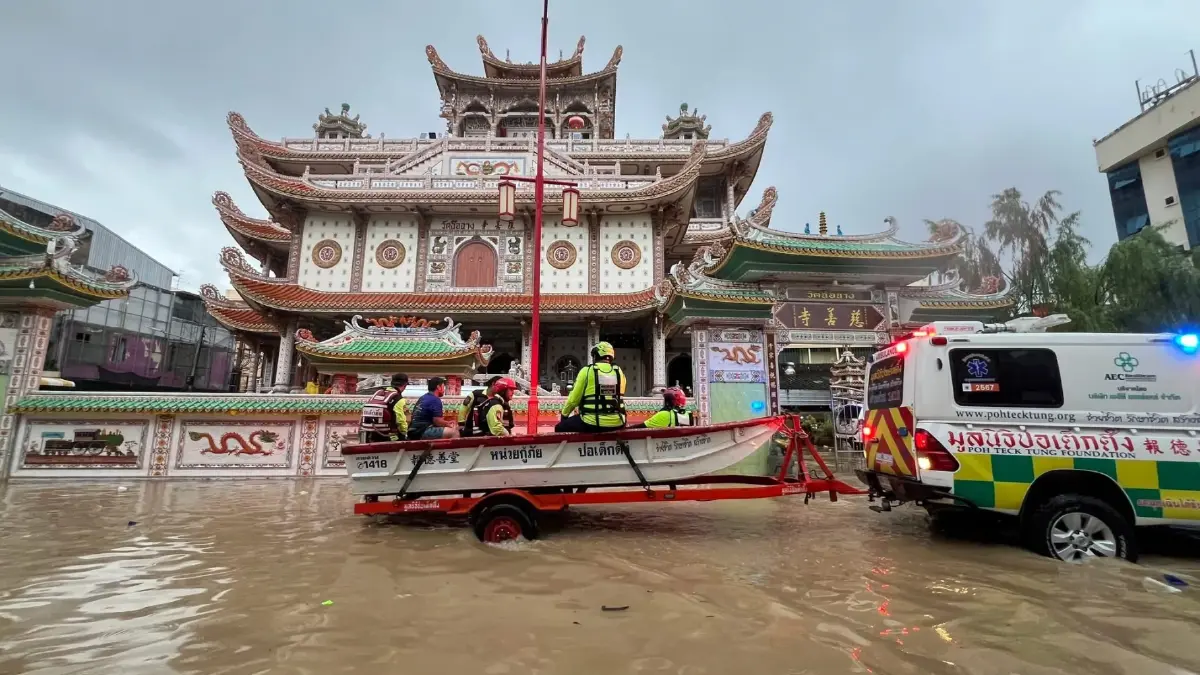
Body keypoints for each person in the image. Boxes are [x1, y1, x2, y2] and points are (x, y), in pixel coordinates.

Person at [555, 341, 627, 433]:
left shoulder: (587, 371)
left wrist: (564, 415)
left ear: (596, 355)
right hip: (618, 422)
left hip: (591, 422)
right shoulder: (619, 372)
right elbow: (621, 392)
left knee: (559, 428)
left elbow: (573, 400)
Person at [358, 374, 409, 442]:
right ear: (405, 385)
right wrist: (404, 432)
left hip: (369, 433)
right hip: (388, 435)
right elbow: (400, 420)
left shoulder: (378, 393)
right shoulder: (398, 399)